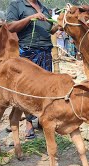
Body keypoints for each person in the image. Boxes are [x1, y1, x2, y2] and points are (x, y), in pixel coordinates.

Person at [6, 0, 58, 139]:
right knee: (28, 89)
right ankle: (29, 123)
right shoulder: (16, 5)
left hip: (46, 51)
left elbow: (49, 29)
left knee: (45, 88)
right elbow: (10, 26)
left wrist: (58, 26)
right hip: (29, 51)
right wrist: (30, 17)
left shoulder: (44, 7)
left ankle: (42, 119)